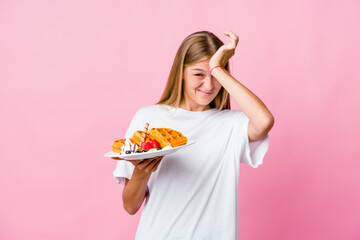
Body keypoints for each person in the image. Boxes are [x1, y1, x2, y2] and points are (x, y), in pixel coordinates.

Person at [112, 30, 274, 240]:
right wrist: (142, 172)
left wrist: (218, 68)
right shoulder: (148, 119)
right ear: (181, 71)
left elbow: (264, 121)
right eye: (199, 74)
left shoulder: (231, 125)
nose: (209, 85)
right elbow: (130, 206)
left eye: (215, 76)